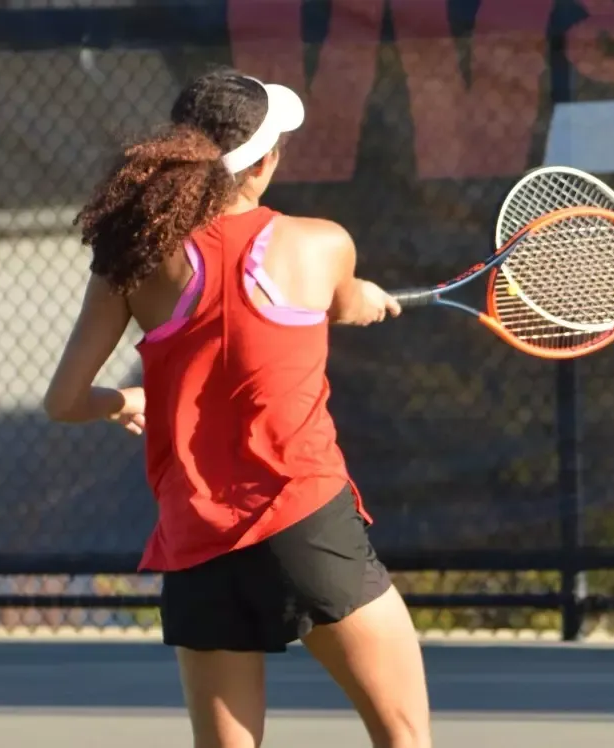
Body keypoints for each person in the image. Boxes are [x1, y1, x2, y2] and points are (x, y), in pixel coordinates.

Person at [43, 68, 431, 748]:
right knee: (403, 735)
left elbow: (65, 402)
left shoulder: (130, 260)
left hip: (197, 540)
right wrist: (360, 297)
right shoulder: (323, 244)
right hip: (306, 523)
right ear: (260, 164)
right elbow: (344, 301)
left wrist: (122, 401)